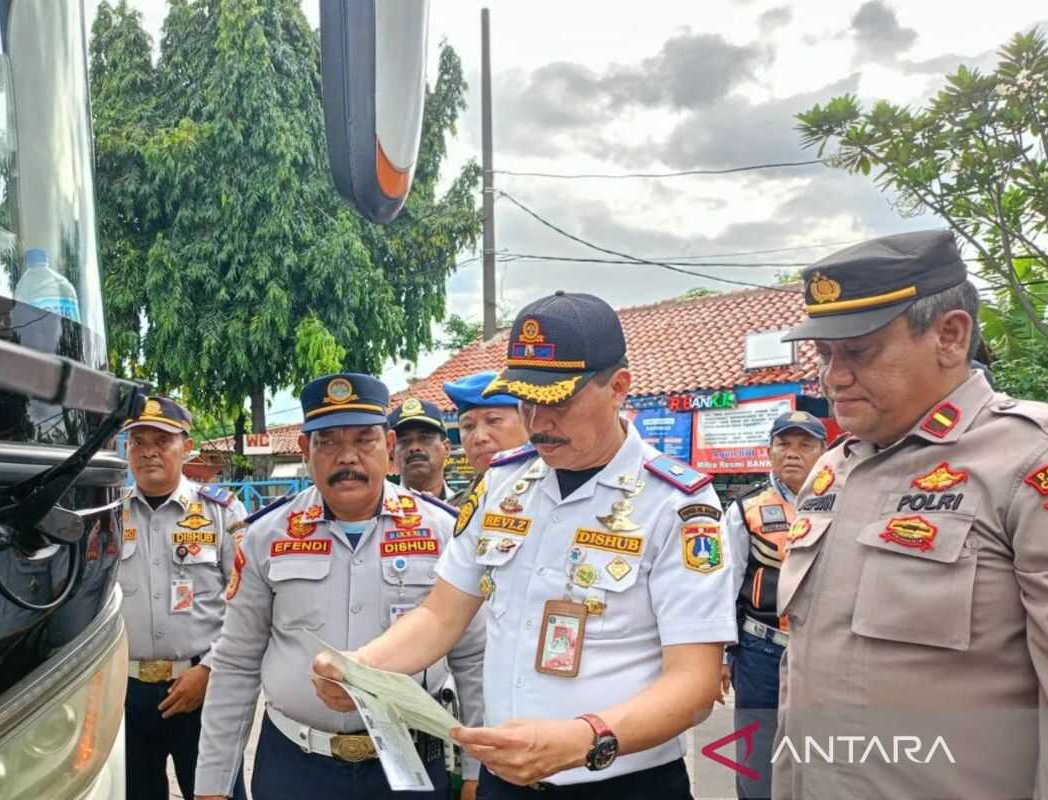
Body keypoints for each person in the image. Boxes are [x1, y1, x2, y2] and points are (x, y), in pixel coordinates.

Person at [314, 292, 736, 798]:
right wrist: (361, 667)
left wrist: (587, 738)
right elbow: (441, 615)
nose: (537, 421)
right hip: (505, 781)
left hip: (619, 780)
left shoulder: (676, 504)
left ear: (618, 387)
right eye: (524, 400)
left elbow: (694, 684)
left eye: (558, 401)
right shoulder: (504, 485)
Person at [774, 229, 1048, 799]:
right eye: (825, 355)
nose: (833, 377)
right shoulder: (832, 469)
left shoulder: (1029, 460)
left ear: (950, 336)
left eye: (858, 350)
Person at [194, 373, 485, 800]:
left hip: (409, 766)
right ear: (305, 451)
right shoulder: (266, 536)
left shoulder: (442, 531)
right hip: (295, 767)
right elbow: (237, 663)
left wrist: (479, 768)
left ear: (388, 448)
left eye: (364, 440)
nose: (346, 457)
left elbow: (472, 658)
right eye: (327, 441)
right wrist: (213, 784)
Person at [119, 396, 248, 800]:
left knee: (216, 793)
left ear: (186, 447)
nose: (149, 451)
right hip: (127, 692)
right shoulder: (109, 516)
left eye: (162, 440)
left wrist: (210, 671)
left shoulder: (221, 513)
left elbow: (247, 607)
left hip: (201, 686)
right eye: (138, 441)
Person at [721, 410, 826, 800]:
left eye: (805, 445)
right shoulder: (745, 507)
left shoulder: (844, 501)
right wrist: (722, 656)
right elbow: (724, 585)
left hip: (824, 649)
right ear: (769, 451)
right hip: (760, 650)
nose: (793, 454)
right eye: (784, 444)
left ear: (823, 451)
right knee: (756, 753)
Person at [443, 370, 527, 501]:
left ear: (527, 422)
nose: (479, 437)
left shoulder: (558, 495)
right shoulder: (454, 510)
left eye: (493, 420)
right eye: (468, 426)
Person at [388, 397, 453, 499]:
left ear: (447, 448)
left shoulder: (469, 510)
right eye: (404, 441)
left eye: (425, 438)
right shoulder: (380, 512)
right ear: (392, 454)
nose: (414, 448)